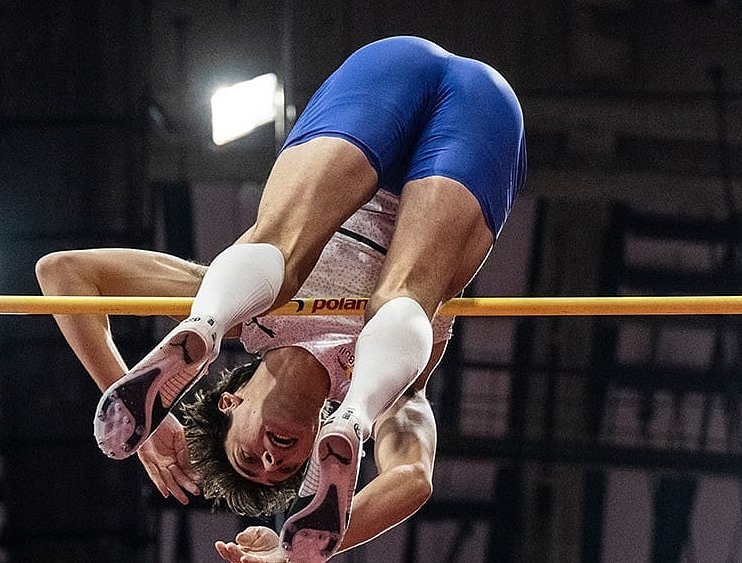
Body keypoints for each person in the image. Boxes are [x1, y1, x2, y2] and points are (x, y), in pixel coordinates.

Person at [47, 35, 526, 563]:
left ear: (230, 402)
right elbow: (413, 478)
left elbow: (65, 274)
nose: (273, 459)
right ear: (317, 443)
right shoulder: (398, 394)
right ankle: (354, 419)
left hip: (386, 83)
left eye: (250, 458)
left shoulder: (248, 317)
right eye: (287, 468)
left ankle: (203, 327)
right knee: (407, 295)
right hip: (484, 116)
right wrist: (301, 552)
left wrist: (144, 427)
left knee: (278, 252)